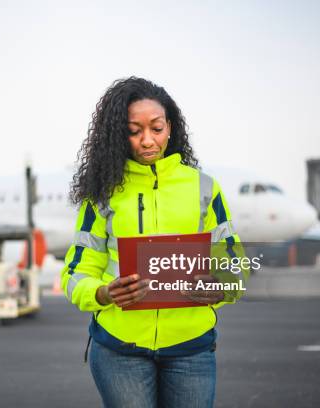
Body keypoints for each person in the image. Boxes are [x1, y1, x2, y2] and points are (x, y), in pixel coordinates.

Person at [61, 77, 247, 408]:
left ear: (171, 127)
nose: (147, 140)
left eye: (156, 128)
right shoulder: (103, 193)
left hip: (191, 348)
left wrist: (222, 286)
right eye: (134, 131)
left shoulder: (205, 188)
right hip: (120, 349)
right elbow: (76, 271)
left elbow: (235, 265)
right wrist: (102, 292)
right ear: (119, 135)